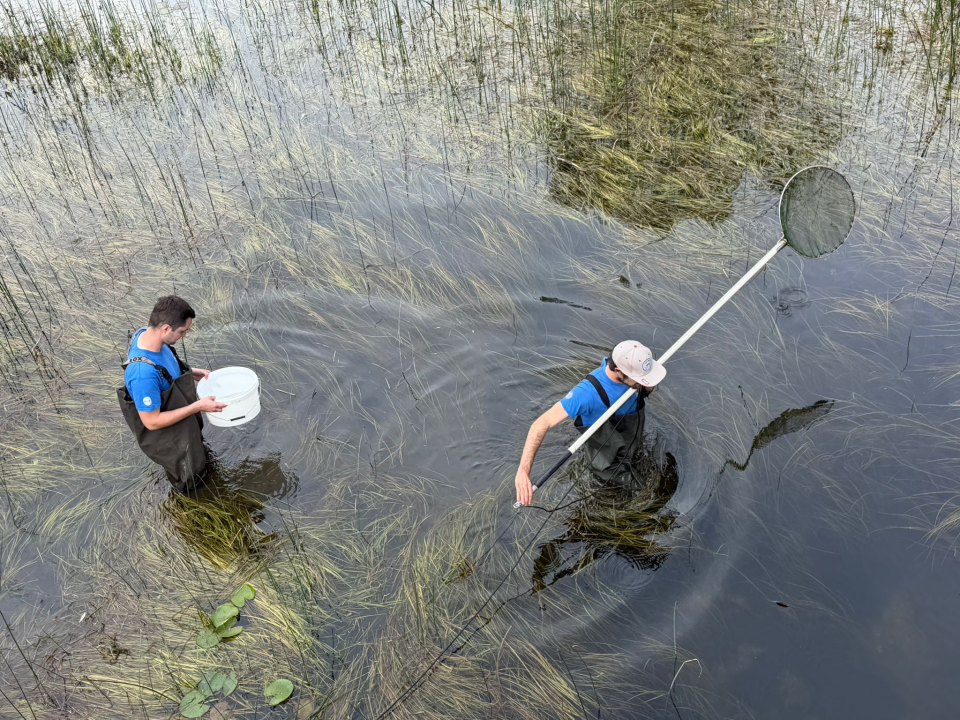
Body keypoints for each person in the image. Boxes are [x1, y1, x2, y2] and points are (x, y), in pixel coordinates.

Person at [514, 340, 666, 506]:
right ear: (618, 371)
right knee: (643, 493)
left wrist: (646, 385)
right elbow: (541, 424)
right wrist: (523, 470)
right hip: (605, 449)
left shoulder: (632, 367)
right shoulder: (586, 394)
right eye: (640, 380)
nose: (645, 383)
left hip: (628, 434)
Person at [116, 296, 226, 491]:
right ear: (166, 328)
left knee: (199, 456)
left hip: (182, 419)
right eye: (182, 331)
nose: (183, 336)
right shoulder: (142, 375)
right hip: (171, 438)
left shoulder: (146, 333)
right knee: (191, 480)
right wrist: (198, 406)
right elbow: (152, 421)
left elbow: (164, 367)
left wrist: (192, 372)